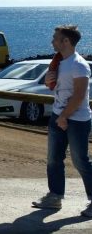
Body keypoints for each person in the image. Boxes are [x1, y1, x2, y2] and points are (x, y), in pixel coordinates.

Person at [32, 25, 92, 216]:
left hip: (77, 120)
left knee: (80, 160)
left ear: (66, 41)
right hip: (58, 116)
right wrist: (49, 80)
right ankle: (55, 196)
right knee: (53, 159)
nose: (52, 41)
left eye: (55, 38)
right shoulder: (59, 62)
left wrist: (64, 117)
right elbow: (57, 87)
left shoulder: (79, 65)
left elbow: (80, 96)